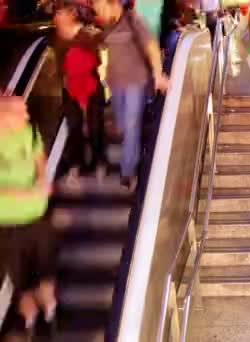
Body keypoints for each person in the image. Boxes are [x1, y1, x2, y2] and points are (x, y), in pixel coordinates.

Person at [92, 0, 169, 189]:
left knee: (131, 124)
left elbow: (151, 47)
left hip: (136, 81)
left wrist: (158, 75)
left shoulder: (134, 20)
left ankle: (127, 172)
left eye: (100, 6)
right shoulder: (107, 25)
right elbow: (100, 44)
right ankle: (135, 154)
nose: (97, 11)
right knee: (123, 126)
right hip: (116, 84)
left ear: (112, 3)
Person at [0, 95, 56, 338]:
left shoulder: (28, 132)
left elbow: (39, 156)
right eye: (20, 112)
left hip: (38, 217)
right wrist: (23, 192)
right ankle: (32, 325)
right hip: (9, 223)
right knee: (23, 285)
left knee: (44, 274)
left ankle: (50, 316)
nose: (26, 115)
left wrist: (43, 178)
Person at [55, 0, 107, 188]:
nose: (57, 18)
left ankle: (99, 162)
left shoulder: (89, 34)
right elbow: (61, 67)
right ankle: (76, 166)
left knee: (94, 128)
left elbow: (99, 55)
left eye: (61, 14)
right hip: (70, 89)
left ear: (72, 15)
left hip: (91, 87)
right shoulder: (59, 39)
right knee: (74, 128)